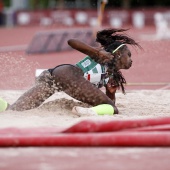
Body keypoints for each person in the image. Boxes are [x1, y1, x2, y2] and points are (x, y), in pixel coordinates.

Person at [0, 28, 141, 115]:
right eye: (128, 55)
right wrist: (96, 53)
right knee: (113, 109)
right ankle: (88, 113)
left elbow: (108, 103)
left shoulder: (110, 75)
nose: (131, 60)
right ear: (117, 54)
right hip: (68, 74)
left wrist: (110, 93)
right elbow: (71, 41)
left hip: (53, 77)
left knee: (14, 110)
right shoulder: (104, 57)